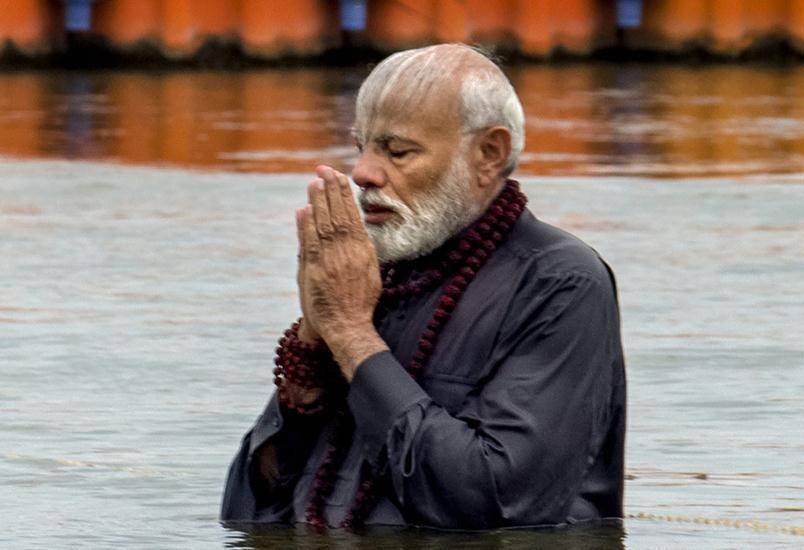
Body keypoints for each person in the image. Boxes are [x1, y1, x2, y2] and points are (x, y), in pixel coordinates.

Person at [221, 43, 626, 531]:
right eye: (361, 147)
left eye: (397, 151)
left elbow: (494, 505)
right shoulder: (378, 273)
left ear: (487, 154)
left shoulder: (562, 283)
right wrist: (315, 336)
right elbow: (247, 515)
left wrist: (351, 335)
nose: (363, 173)